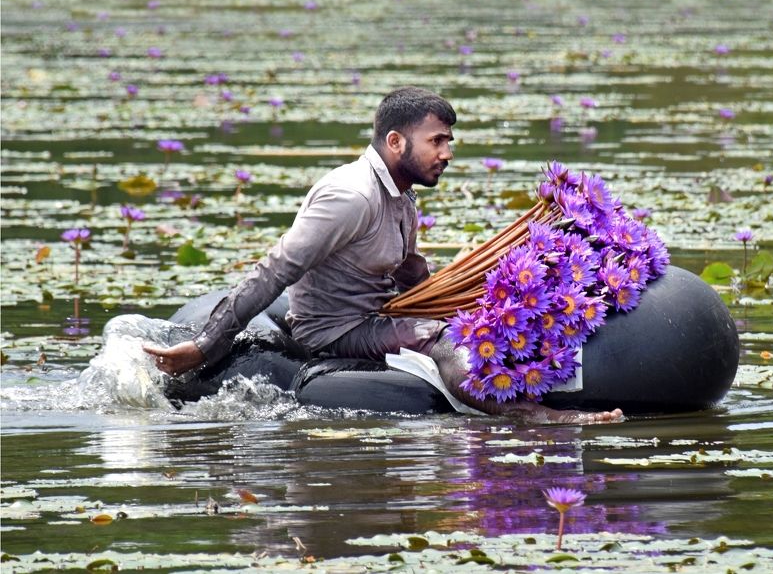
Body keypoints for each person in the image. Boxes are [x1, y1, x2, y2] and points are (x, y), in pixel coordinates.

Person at [143, 87, 622, 424]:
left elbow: (409, 270)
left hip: (371, 311)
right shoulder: (351, 196)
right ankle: (532, 416)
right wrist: (206, 345)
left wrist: (478, 302)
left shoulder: (400, 192)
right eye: (437, 140)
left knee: (459, 321)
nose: (448, 153)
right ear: (396, 142)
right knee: (441, 339)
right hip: (334, 330)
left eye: (449, 141)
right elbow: (275, 270)